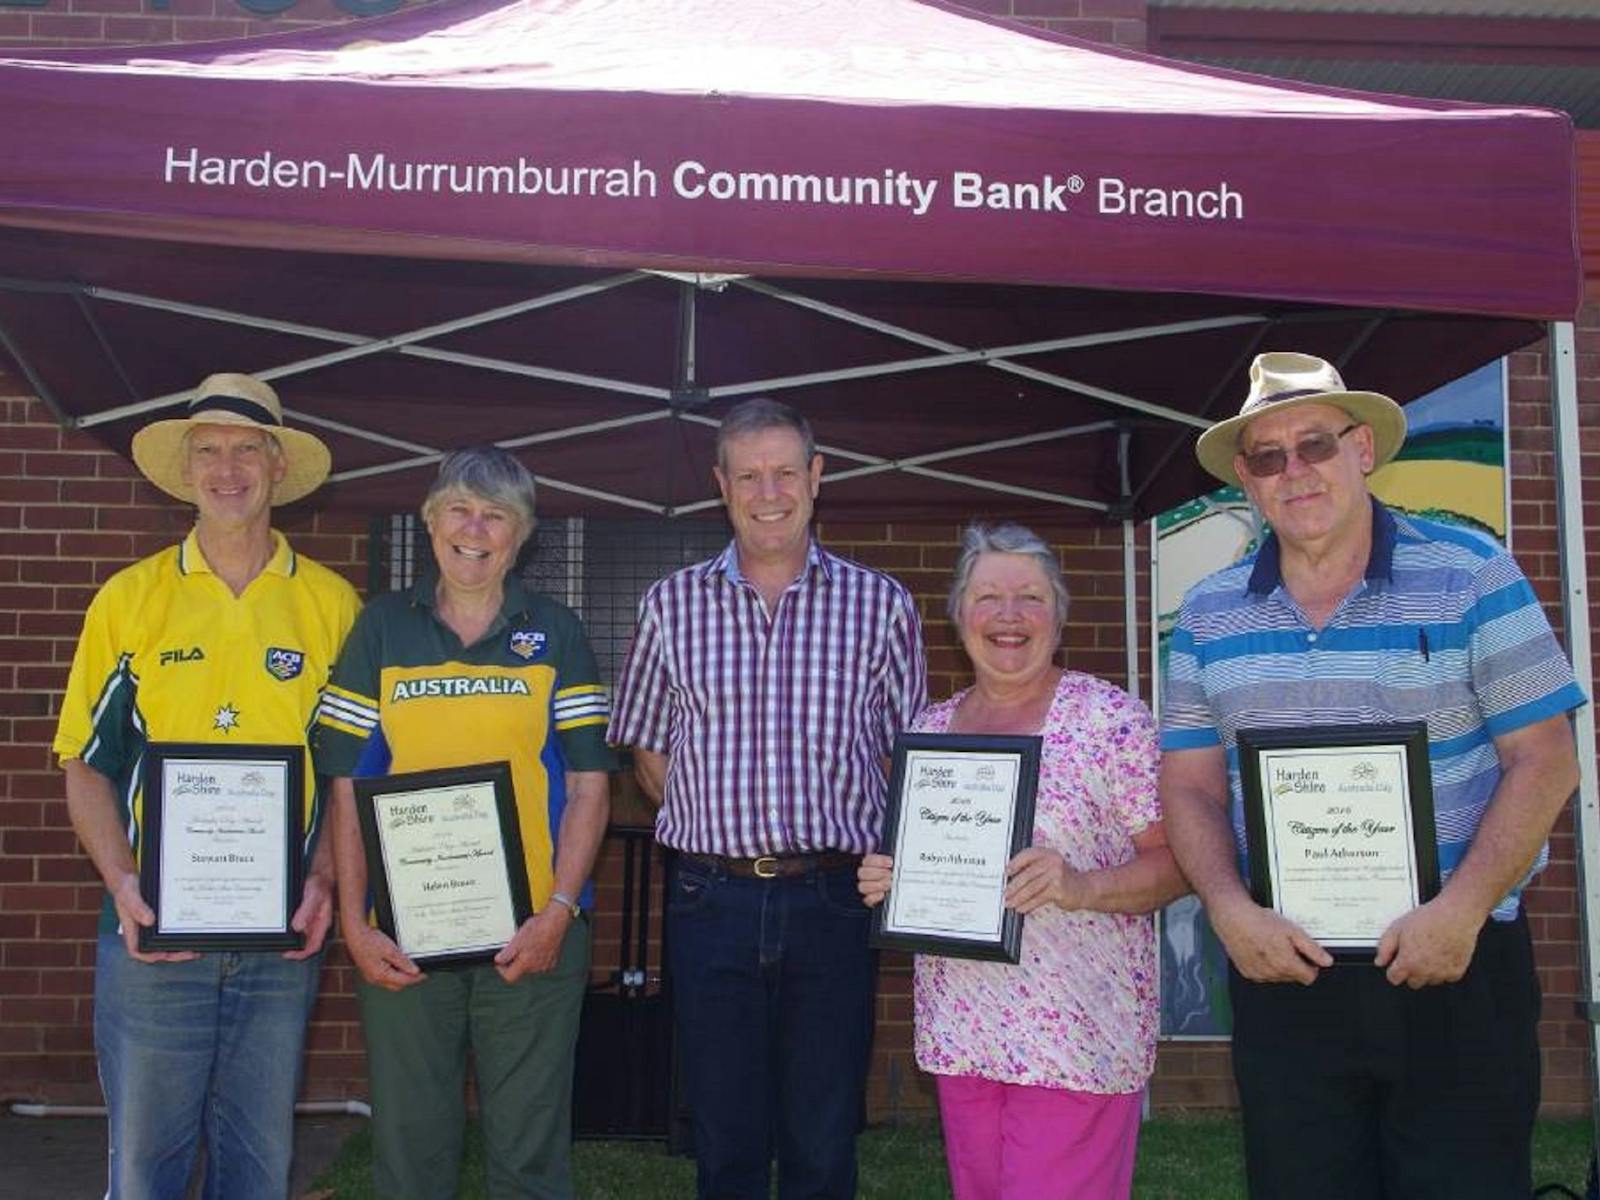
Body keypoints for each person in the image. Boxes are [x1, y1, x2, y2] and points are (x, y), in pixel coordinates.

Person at [1160, 351, 1585, 1199]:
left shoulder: (1472, 575)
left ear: (1362, 450)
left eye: (1313, 445)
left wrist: (1460, 910)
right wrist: (1229, 910)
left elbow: (1545, 759)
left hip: (1456, 962)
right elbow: (1191, 787)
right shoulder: (1208, 613)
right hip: (1288, 972)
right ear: (1247, 478)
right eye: (1269, 457)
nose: (1295, 472)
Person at [608, 397, 927, 1199]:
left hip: (833, 898)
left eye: (786, 471)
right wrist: (711, 821)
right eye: (749, 475)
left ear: (817, 477)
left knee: (824, 1136)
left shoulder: (882, 606)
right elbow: (647, 746)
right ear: (722, 485)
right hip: (708, 900)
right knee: (724, 1137)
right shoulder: (668, 606)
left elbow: (907, 761)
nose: (769, 491)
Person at [54, 373, 360, 1200]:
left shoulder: (332, 606)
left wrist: (325, 880)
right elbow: (84, 764)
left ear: (275, 465)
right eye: (209, 451)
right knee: (145, 1170)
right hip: (154, 935)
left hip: (282, 937)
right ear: (187, 470)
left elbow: (347, 775)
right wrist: (124, 884)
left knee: (257, 1168)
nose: (228, 469)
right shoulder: (130, 600)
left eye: (246, 450)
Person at [315, 445, 614, 1200]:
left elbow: (587, 785)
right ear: (428, 520)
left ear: (522, 536)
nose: (474, 529)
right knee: (411, 1150)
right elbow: (348, 785)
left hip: (532, 933)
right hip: (402, 935)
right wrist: (354, 921)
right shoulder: (382, 627)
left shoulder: (558, 631)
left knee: (530, 1152)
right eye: (459, 508)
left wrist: (557, 912)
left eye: (496, 516)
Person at [857, 522, 1186, 1200]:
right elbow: (926, 861)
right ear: (958, 616)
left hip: (1074, 1037)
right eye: (987, 598)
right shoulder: (929, 730)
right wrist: (889, 881)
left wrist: (1080, 885)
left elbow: (1178, 864)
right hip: (963, 1034)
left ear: (1059, 614)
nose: (1008, 616)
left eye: (1030, 598)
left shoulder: (1112, 722)